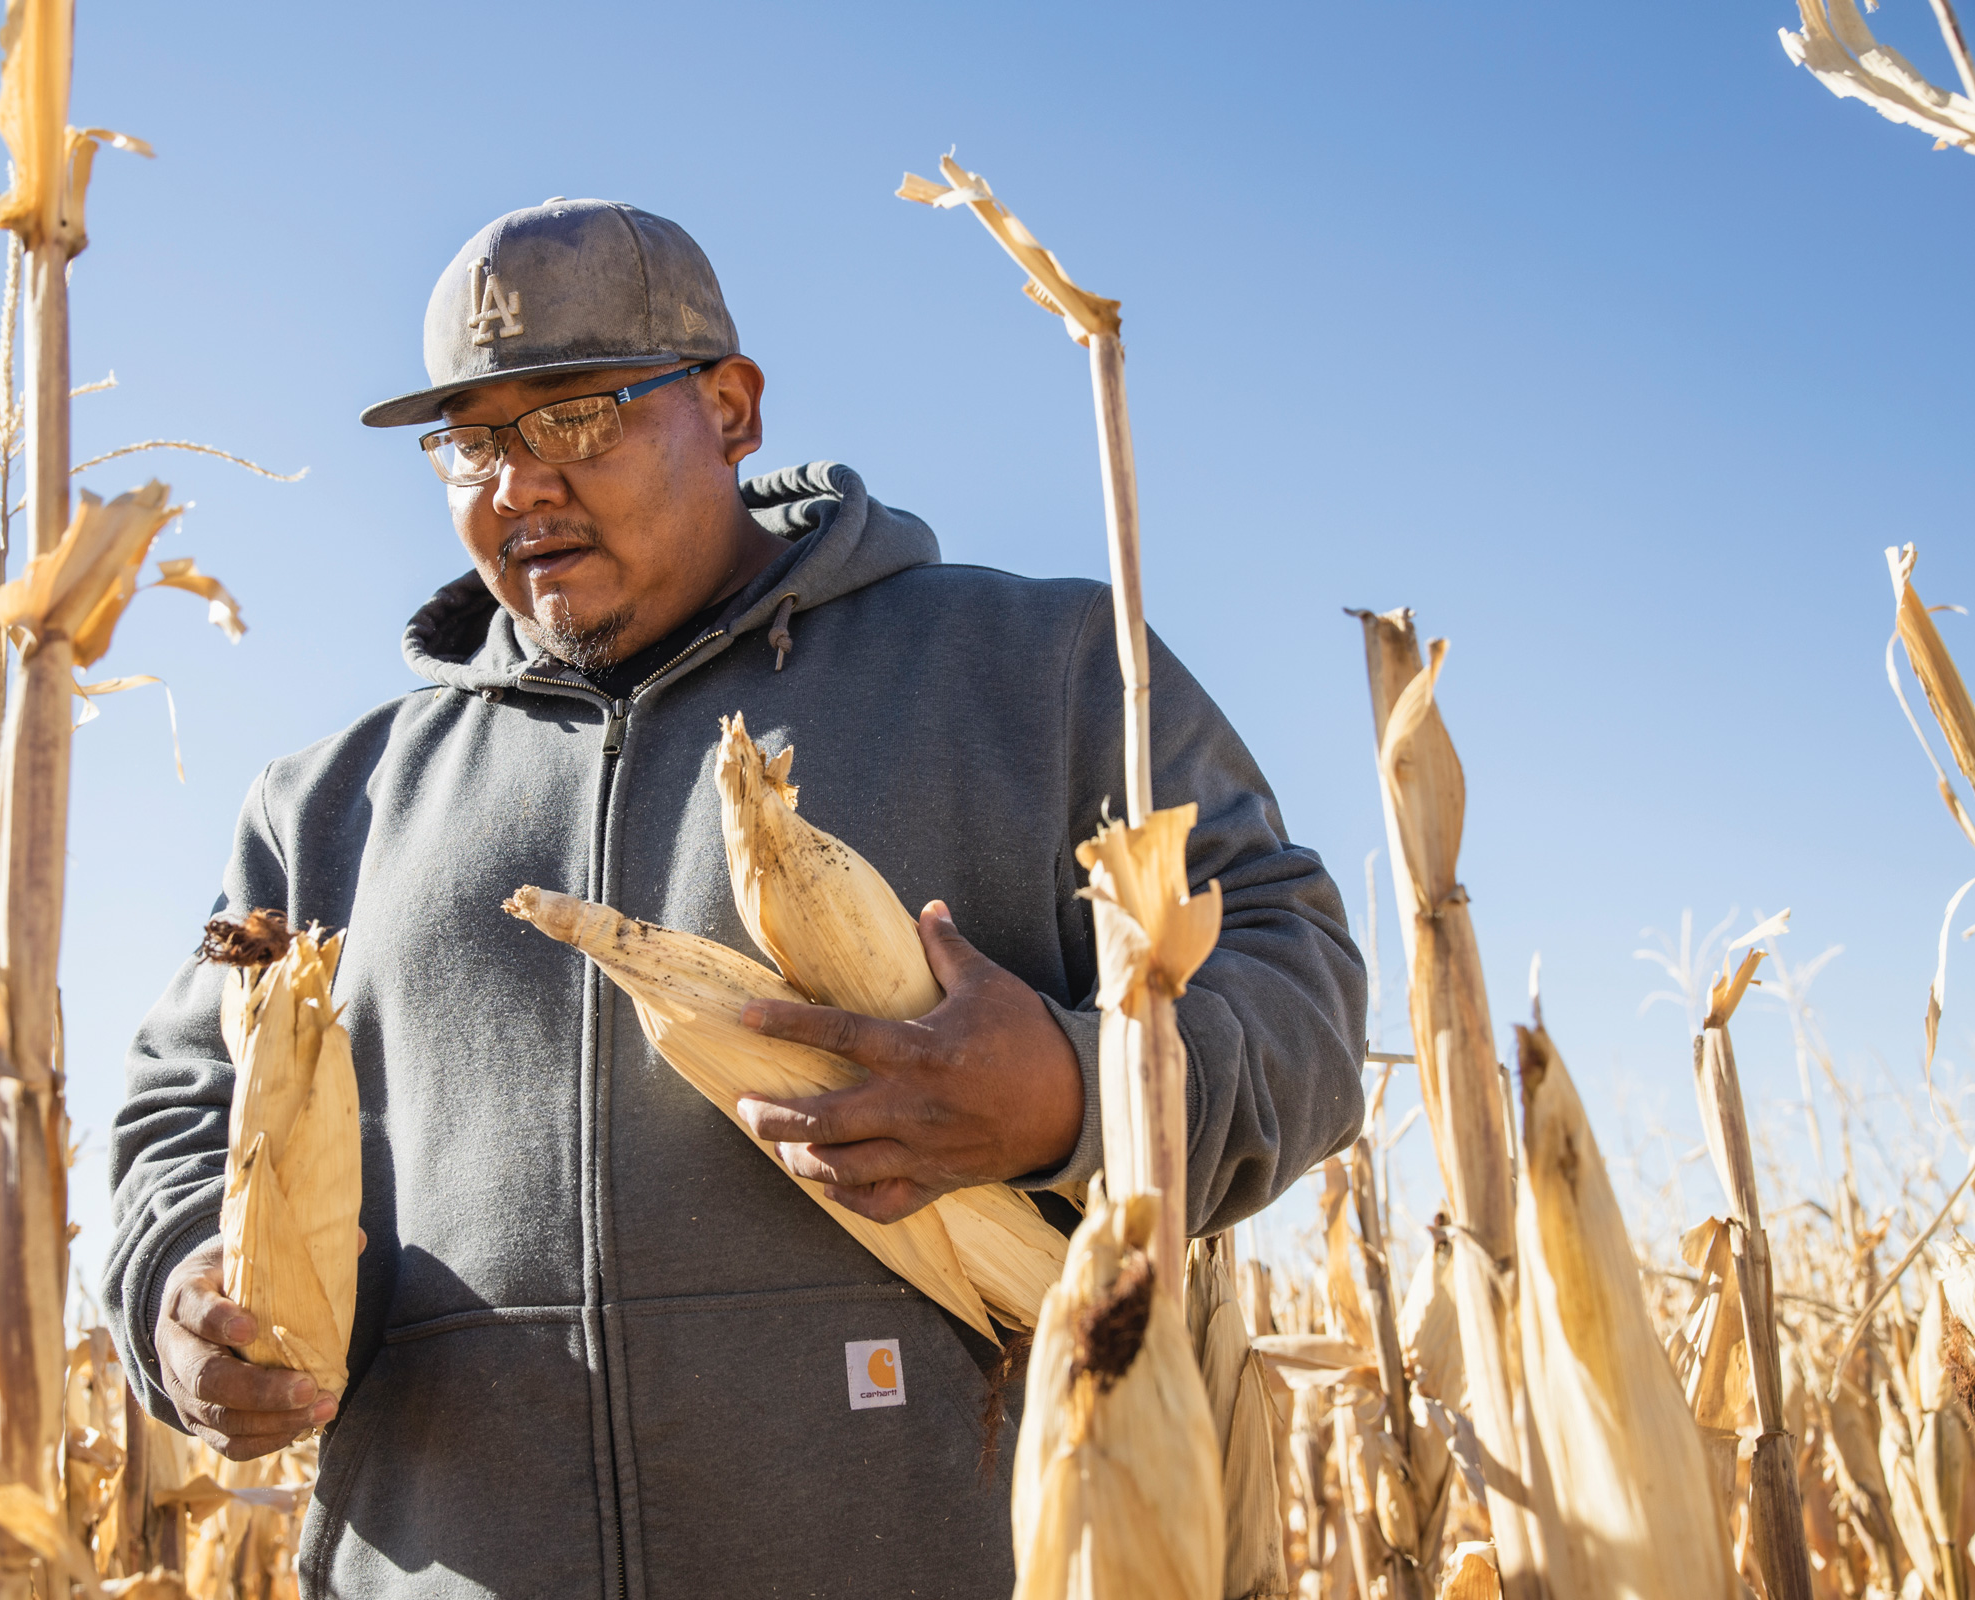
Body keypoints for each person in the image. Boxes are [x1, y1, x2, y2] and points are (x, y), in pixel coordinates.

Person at [107, 198, 1366, 1600]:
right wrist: (178, 1296)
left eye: (577, 418)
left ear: (732, 408)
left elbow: (1295, 982)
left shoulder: (1038, 669)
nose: (517, 484)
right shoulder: (331, 801)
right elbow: (179, 1110)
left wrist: (1074, 1093)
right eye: (471, 439)